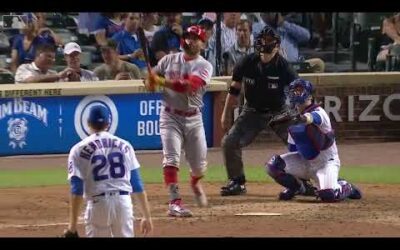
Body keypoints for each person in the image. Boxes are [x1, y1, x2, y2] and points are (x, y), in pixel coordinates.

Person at [220, 26, 310, 196]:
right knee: (229, 142)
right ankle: (237, 181)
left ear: (277, 46)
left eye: (270, 41)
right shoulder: (246, 62)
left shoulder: (284, 67)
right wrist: (225, 114)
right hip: (252, 111)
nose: (265, 44)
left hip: (279, 111)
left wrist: (304, 114)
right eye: (263, 40)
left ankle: (304, 182)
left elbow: (298, 92)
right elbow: (234, 91)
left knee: (300, 142)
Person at [144, 25, 213, 217]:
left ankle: (195, 182)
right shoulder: (168, 60)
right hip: (170, 116)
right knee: (171, 157)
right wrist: (149, 80)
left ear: (202, 43)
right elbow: (149, 83)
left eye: (195, 38)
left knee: (199, 165)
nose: (190, 41)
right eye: (187, 37)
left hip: (193, 118)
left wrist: (159, 81)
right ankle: (174, 202)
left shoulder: (204, 65)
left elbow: (189, 86)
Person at [265, 78, 362, 202]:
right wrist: (295, 178)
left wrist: (298, 118)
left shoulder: (319, 112)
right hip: (305, 161)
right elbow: (293, 149)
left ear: (309, 94)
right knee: (273, 165)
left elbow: (311, 118)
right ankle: (300, 188)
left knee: (328, 195)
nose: (295, 94)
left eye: (299, 90)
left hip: (326, 163)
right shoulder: (292, 121)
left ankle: (345, 186)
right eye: (294, 91)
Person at [63, 105, 153, 237]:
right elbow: (137, 184)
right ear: (108, 123)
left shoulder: (78, 149)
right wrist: (147, 216)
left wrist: (72, 227)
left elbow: (77, 189)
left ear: (88, 123)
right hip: (123, 204)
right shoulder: (125, 146)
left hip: (98, 205)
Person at [260, 12, 325, 73]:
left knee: (319, 64)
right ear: (262, 15)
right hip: (275, 67)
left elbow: (306, 36)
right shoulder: (259, 28)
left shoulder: (287, 28)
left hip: (295, 65)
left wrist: (283, 24)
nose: (272, 15)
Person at [112, 13, 147, 78]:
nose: (135, 21)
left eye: (137, 19)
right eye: (131, 18)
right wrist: (131, 56)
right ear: (124, 20)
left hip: (145, 69)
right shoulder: (117, 37)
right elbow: (113, 57)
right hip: (129, 72)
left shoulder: (142, 36)